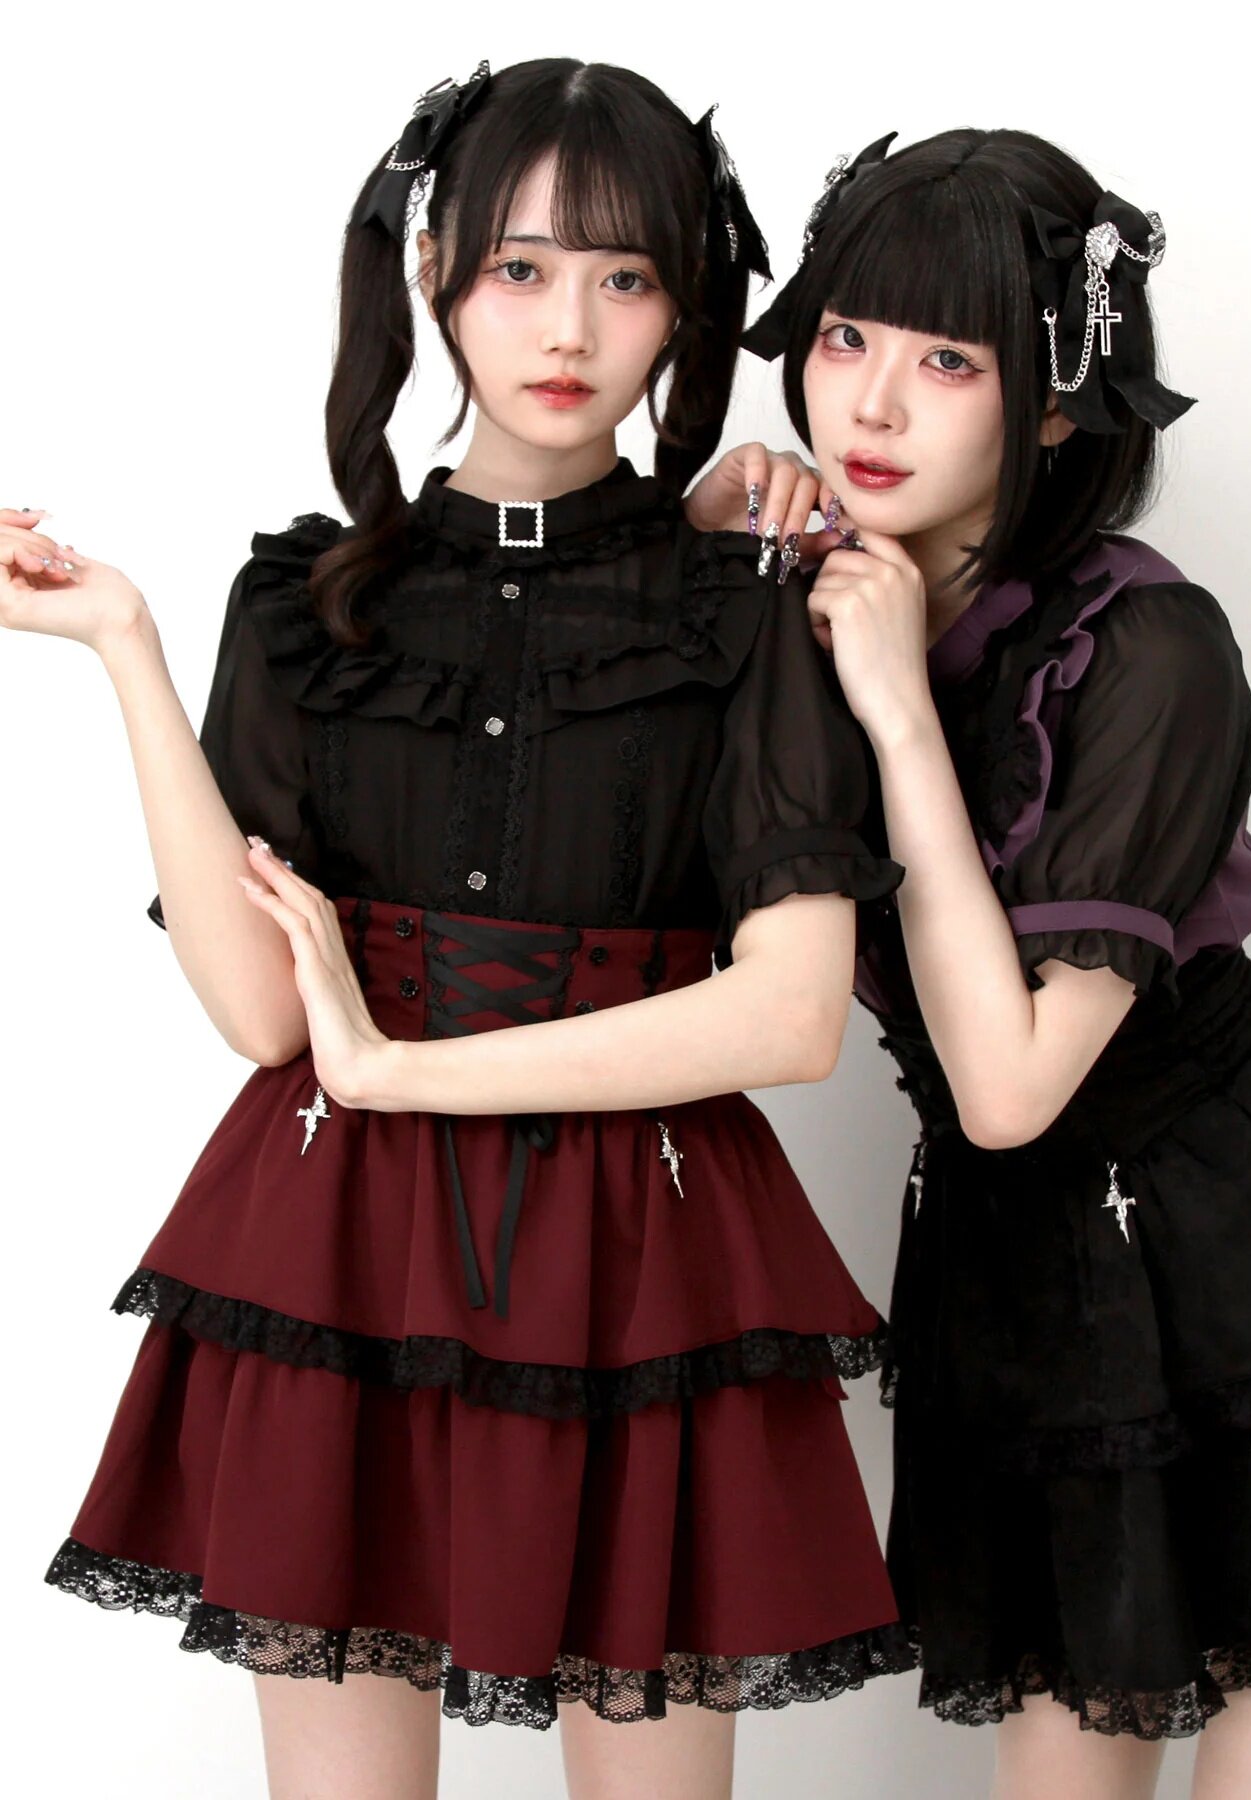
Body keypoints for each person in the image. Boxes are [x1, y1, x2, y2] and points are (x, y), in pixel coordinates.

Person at [2, 59, 912, 1800]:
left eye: (626, 275)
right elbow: (267, 1021)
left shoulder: (746, 605)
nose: (569, 327)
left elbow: (793, 1020)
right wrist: (124, 642)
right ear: (435, 270)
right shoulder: (305, 603)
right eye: (520, 267)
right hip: (340, 1249)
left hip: (644, 1255)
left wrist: (401, 1071)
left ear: (684, 305)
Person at [743, 127, 1251, 1799]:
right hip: (1026, 1294)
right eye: (847, 336)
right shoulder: (803, 608)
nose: (873, 404)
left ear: (1056, 404)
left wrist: (897, 712)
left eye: (950, 360)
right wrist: (698, 536)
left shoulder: (1147, 646)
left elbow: (1010, 1085)